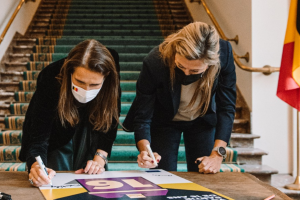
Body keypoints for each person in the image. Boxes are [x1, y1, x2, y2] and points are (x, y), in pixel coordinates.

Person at [123, 22, 236, 173]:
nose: (186, 74)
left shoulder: (225, 54)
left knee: (204, 175)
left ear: (210, 64)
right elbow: (143, 115)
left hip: (202, 120)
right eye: (181, 67)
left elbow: (226, 107)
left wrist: (217, 155)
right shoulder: (155, 61)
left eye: (195, 70)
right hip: (164, 120)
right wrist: (145, 151)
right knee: (162, 176)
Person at [19, 39, 121, 187]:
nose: (86, 90)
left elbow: (110, 118)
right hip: (56, 132)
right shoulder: (50, 77)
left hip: (91, 131)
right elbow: (39, 135)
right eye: (79, 81)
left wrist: (100, 158)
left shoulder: (111, 77)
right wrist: (35, 166)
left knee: (92, 183)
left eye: (94, 84)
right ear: (69, 72)